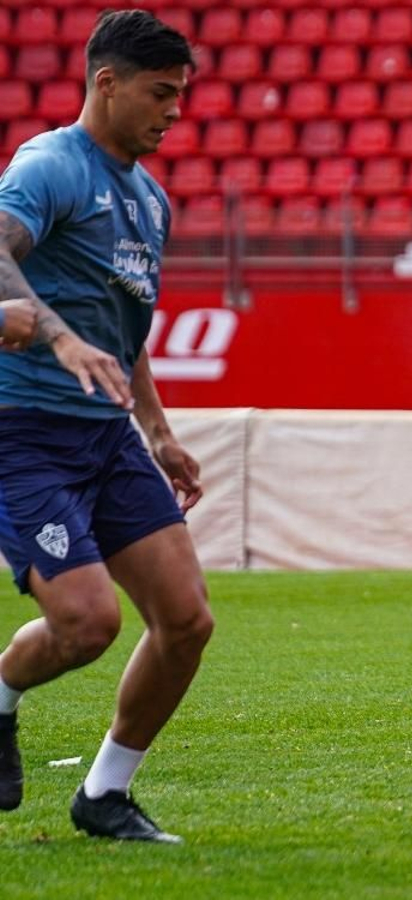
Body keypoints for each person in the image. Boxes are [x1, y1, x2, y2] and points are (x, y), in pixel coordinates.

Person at [0, 10, 210, 843]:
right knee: (88, 623)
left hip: (109, 432)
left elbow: (125, 329)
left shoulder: (148, 199)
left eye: (181, 97)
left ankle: (105, 794)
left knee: (187, 620)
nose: (173, 113)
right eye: (161, 95)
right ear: (106, 83)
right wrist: (49, 330)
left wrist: (157, 428)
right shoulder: (50, 165)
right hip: (24, 428)